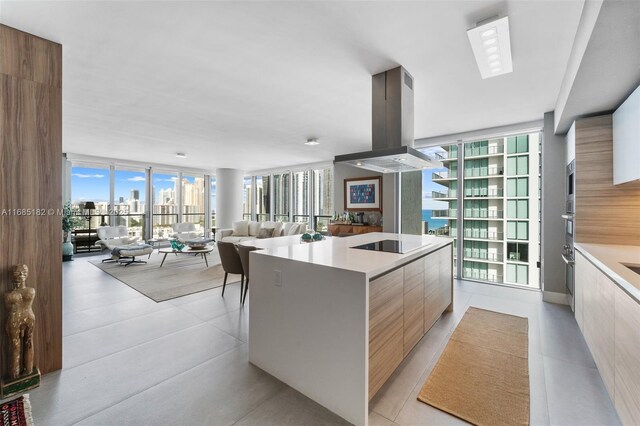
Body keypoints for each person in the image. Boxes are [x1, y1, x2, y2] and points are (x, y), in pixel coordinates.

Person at [4, 264, 36, 379]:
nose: (21, 274)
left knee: (27, 343)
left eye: (24, 271)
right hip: (20, 318)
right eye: (17, 272)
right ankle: (15, 375)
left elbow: (8, 308)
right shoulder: (9, 294)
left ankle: (27, 370)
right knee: (15, 345)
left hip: (22, 318)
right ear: (11, 276)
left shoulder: (10, 295)